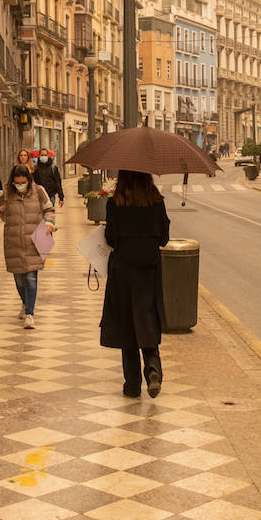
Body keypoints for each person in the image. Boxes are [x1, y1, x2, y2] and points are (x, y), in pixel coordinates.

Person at [100, 170, 170, 399]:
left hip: (122, 268)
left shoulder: (115, 203)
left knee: (126, 324)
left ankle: (131, 385)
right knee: (147, 318)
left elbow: (110, 238)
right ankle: (153, 368)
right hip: (148, 269)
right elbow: (164, 238)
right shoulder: (156, 201)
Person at [0, 163, 55, 329]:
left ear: (29, 180)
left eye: (23, 182)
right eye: (17, 183)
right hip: (13, 242)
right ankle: (25, 302)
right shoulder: (7, 193)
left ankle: (30, 313)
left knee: (31, 278)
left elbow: (49, 209)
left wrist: (49, 223)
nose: (20, 186)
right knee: (19, 280)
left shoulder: (39, 191)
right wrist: (7, 219)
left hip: (34, 242)